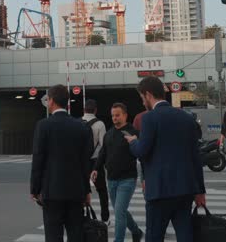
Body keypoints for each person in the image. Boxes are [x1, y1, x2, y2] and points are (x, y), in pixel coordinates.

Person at [124, 77, 206, 242]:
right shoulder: (186, 118)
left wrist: (133, 142)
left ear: (148, 94)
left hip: (159, 191)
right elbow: (196, 157)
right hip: (185, 189)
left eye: (142, 98)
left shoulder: (149, 118)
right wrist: (200, 191)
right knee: (185, 235)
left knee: (154, 236)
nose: (142, 103)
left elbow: (142, 151)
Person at [31, 84, 94, 242]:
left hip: (52, 191)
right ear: (67, 102)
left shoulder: (43, 126)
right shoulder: (81, 127)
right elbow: (85, 163)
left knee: (53, 236)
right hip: (75, 191)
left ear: (51, 101)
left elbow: (38, 159)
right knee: (76, 235)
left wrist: (35, 189)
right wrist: (86, 190)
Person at [92, 103, 144, 242]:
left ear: (125, 115)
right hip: (111, 179)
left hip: (127, 179)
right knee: (120, 211)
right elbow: (103, 153)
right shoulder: (109, 134)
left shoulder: (133, 132)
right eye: (113, 115)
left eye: (118, 115)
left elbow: (141, 154)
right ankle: (136, 231)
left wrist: (145, 178)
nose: (114, 118)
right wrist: (96, 168)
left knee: (119, 212)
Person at [82, 99, 110, 224]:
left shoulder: (78, 122)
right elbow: (104, 145)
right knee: (102, 190)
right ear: (95, 110)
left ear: (84, 110)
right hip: (95, 162)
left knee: (81, 189)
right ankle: (105, 218)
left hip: (81, 162)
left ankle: (81, 217)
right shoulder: (100, 124)